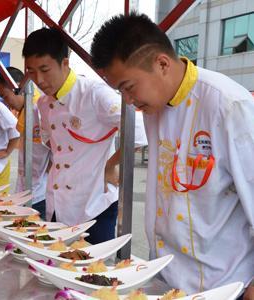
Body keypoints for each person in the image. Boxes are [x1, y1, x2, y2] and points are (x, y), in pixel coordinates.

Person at [90, 12, 254, 298]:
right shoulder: (156, 107)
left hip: (224, 286)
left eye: (128, 88)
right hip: (167, 279)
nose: (128, 101)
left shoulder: (228, 104)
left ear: (162, 63)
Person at [22, 27, 147, 244]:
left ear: (64, 63)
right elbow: (54, 146)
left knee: (93, 270)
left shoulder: (94, 93)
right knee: (59, 264)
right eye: (31, 72)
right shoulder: (43, 103)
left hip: (94, 206)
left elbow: (139, 132)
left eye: (44, 69)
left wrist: (110, 165)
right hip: (58, 202)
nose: (39, 80)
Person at [0, 66, 50, 219]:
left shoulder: (40, 109)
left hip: (40, 193)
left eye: (5, 96)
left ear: (19, 86)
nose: (7, 103)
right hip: (25, 189)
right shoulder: (24, 114)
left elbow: (57, 150)